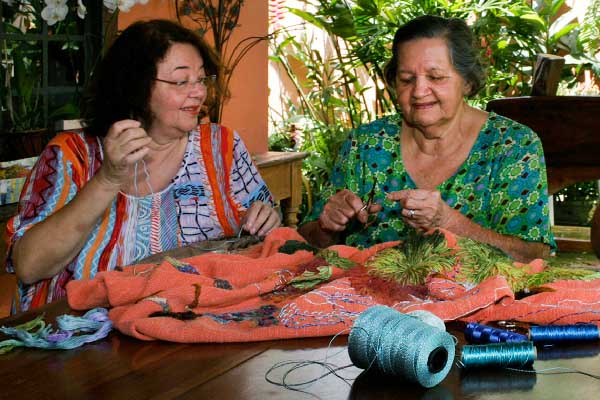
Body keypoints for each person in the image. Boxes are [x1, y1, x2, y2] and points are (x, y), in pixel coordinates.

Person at [5, 19, 280, 313]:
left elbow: (267, 228)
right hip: (79, 340)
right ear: (135, 87)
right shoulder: (72, 156)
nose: (198, 92)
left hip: (193, 333)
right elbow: (29, 267)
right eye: (181, 81)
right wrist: (108, 179)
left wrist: (267, 217)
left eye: (201, 79)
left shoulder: (222, 147)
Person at [299, 15, 555, 262]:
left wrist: (448, 222)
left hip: (472, 301)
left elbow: (532, 256)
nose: (419, 91)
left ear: (466, 82)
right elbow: (305, 244)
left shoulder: (512, 145)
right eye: (407, 79)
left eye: (435, 77)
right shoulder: (365, 145)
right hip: (361, 297)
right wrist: (327, 226)